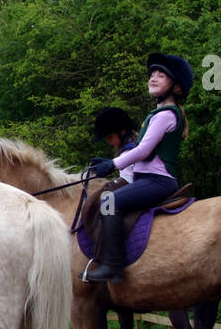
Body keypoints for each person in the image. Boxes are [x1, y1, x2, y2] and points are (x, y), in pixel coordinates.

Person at [82, 53, 192, 283]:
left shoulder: (165, 115)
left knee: (108, 202)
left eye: (161, 76)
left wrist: (112, 164)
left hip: (157, 181)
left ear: (177, 87)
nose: (153, 78)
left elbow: (142, 151)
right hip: (147, 179)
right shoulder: (158, 115)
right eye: (152, 74)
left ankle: (113, 265)